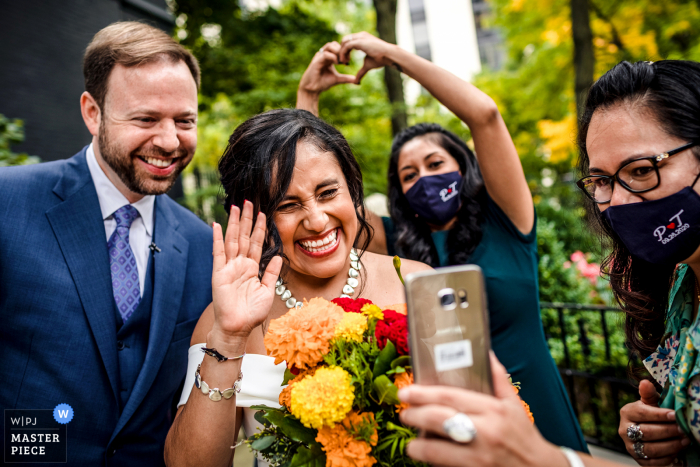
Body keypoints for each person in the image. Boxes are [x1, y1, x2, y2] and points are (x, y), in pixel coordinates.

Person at [396, 59, 700, 467]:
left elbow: (484, 115)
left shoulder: (503, 223)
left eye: (642, 170)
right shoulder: (681, 282)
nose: (620, 202)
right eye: (602, 181)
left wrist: (546, 459)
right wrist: (659, 435)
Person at [296, 31, 587, 452]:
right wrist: (308, 95)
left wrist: (393, 55)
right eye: (409, 175)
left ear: (461, 167)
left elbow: (484, 114)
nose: (425, 178)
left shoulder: (505, 217)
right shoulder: (393, 242)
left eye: (435, 163)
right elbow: (322, 197)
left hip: (536, 410)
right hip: (451, 425)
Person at [164, 108, 431, 467]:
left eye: (327, 192)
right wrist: (228, 338)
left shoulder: (418, 285)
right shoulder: (224, 320)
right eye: (288, 205)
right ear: (255, 218)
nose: (318, 221)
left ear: (352, 189)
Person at [0, 22, 213, 466]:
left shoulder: (202, 244)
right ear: (92, 113)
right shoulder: (8, 201)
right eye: (146, 119)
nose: (170, 141)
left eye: (184, 120)